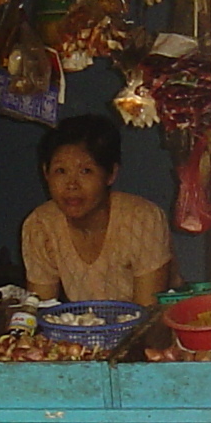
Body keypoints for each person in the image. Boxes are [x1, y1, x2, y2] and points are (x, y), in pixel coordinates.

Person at [19, 113, 174, 307]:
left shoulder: (143, 219)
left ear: (111, 174)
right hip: (83, 333)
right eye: (61, 171)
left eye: (86, 171)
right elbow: (39, 307)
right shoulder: (40, 225)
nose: (71, 185)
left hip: (146, 332)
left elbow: (148, 317)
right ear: (46, 174)